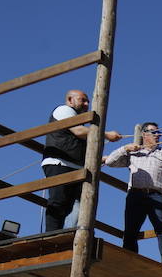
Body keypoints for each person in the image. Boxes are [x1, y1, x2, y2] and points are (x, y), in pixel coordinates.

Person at [42, 89, 123, 232]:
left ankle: (66, 235)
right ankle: (50, 237)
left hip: (74, 167)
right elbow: (78, 131)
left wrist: (101, 159)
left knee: (75, 205)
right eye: (82, 100)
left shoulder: (76, 118)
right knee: (58, 202)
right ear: (70, 100)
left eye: (87, 102)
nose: (86, 104)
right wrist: (106, 134)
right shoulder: (64, 109)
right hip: (59, 163)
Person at [104, 122, 162, 263]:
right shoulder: (133, 152)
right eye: (154, 132)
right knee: (131, 231)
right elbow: (109, 162)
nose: (158, 135)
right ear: (144, 134)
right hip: (136, 194)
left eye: (159, 132)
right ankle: (128, 262)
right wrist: (125, 148)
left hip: (157, 195)